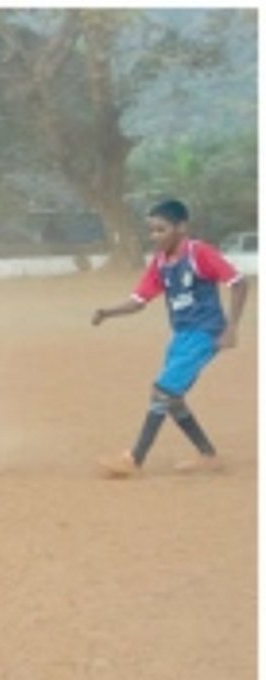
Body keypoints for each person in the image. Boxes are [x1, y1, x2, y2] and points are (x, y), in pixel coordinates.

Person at [91, 199, 248, 478]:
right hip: (181, 336)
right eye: (151, 231)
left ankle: (134, 459)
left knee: (162, 391)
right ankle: (208, 456)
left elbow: (238, 283)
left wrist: (231, 327)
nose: (155, 236)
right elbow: (139, 301)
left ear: (181, 228)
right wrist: (107, 312)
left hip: (205, 333)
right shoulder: (160, 263)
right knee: (172, 398)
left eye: (161, 230)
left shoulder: (199, 253)